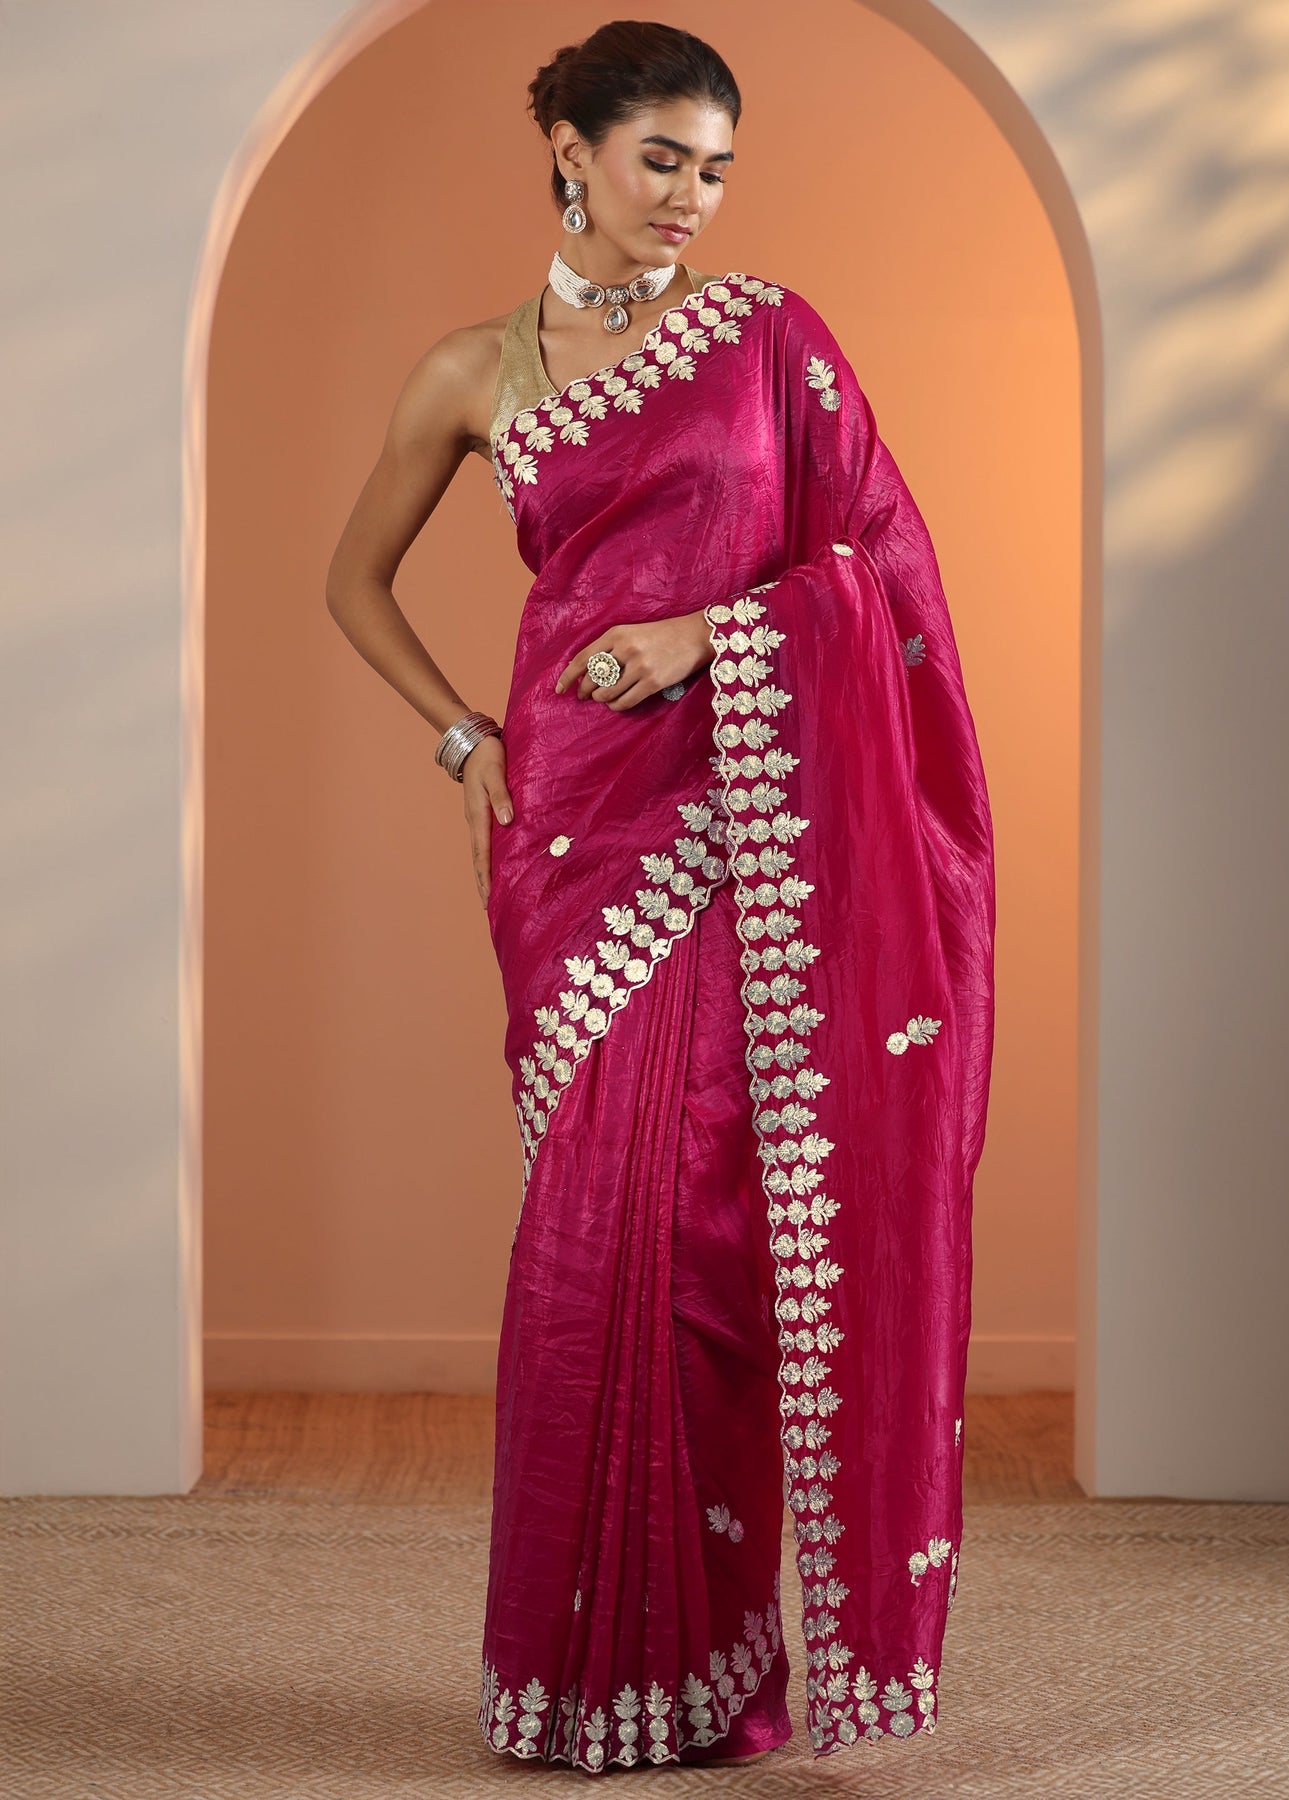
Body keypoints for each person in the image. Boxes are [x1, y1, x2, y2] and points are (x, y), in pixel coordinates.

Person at [326, 19, 996, 1777]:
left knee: (710, 1233)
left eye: (715, 168)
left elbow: (882, 569)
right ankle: (582, 1670)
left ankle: (707, 1662)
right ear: (571, 148)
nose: (692, 196)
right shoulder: (470, 371)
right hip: (572, 826)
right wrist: (465, 736)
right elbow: (352, 578)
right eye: (661, 160)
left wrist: (709, 633)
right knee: (588, 1229)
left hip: (746, 820)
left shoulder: (772, 336)